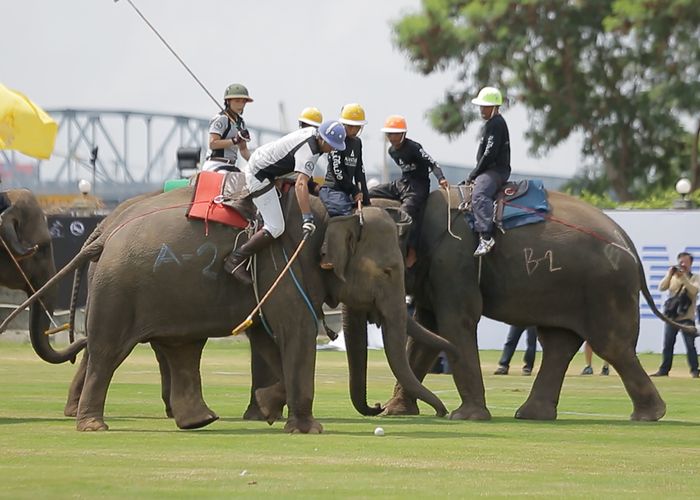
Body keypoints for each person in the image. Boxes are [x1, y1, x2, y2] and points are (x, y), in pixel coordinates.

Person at [223, 120, 347, 284]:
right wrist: (307, 217)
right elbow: (301, 184)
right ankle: (234, 260)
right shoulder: (309, 151)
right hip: (259, 175)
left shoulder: (312, 132)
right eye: (331, 145)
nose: (333, 149)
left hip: (267, 163)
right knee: (276, 227)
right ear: (322, 139)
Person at [369, 115, 449, 267]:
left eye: (393, 134)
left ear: (403, 134)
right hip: (403, 182)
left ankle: (411, 251)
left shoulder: (414, 147)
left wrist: (441, 178)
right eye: (388, 134)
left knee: (406, 213)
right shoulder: (392, 151)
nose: (390, 137)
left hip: (418, 186)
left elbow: (433, 163)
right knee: (372, 191)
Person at [467, 86, 511, 256]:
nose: (481, 110)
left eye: (485, 106)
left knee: (479, 193)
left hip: (496, 170)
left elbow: (489, 153)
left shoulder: (496, 124)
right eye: (481, 106)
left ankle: (486, 236)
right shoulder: (491, 123)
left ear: (495, 107)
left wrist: (474, 174)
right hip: (489, 169)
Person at [650, 252, 700, 378]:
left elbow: (694, 291)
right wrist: (669, 274)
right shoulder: (673, 277)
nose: (683, 265)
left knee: (690, 346)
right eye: (681, 262)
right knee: (667, 344)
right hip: (672, 317)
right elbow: (661, 287)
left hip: (687, 317)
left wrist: (684, 278)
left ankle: (694, 370)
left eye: (685, 262)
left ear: (690, 264)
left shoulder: (695, 277)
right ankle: (664, 370)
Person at [318, 103, 370, 217]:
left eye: (357, 126)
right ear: (343, 124)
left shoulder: (357, 142)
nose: (354, 130)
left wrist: (365, 197)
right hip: (333, 190)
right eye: (350, 126)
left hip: (347, 190)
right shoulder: (336, 139)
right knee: (345, 216)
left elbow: (359, 171)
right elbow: (338, 171)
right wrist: (354, 190)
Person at [201, 83, 253, 173]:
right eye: (237, 101)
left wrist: (256, 163)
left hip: (231, 166)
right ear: (228, 101)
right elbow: (213, 143)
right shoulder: (221, 119)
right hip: (216, 165)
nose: (240, 105)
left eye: (243, 101)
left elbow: (243, 149)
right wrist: (235, 140)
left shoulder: (241, 123)